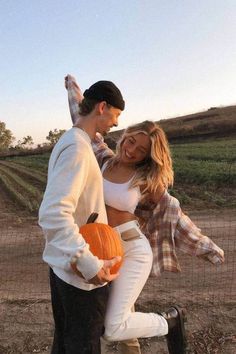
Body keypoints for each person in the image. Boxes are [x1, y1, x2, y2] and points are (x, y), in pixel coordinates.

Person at [66, 75, 225, 354]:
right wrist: (73, 90)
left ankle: (170, 322)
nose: (131, 151)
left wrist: (206, 248)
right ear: (125, 136)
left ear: (147, 156)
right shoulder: (102, 158)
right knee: (110, 319)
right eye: (130, 142)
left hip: (132, 248)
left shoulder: (146, 180)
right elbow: (83, 117)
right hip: (102, 247)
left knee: (113, 325)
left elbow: (175, 215)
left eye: (140, 151)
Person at [38, 77, 125, 354]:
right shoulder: (77, 149)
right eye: (116, 115)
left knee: (66, 343)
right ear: (102, 107)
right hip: (81, 275)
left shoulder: (76, 141)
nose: (116, 123)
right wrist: (89, 263)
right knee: (83, 345)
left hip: (66, 269)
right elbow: (53, 213)